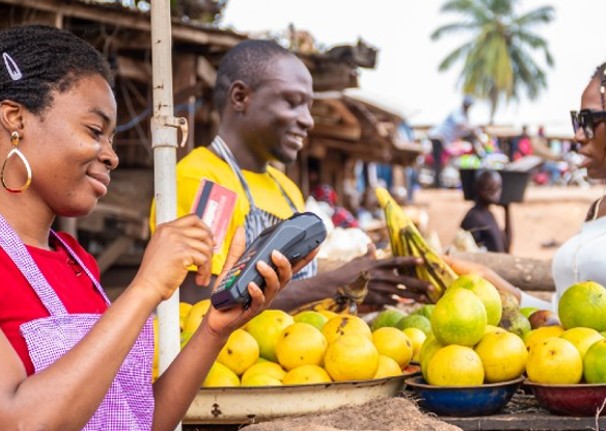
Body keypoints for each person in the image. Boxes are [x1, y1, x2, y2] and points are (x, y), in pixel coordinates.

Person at [0, 25, 310, 431]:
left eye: (112, 139)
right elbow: (17, 428)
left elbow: (135, 426)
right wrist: (145, 288)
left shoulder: (76, 261)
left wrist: (215, 329)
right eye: (95, 131)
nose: (110, 155)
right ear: (15, 119)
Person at [152, 40, 432, 309]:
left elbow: (293, 292)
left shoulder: (287, 189)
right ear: (240, 97)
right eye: (292, 102)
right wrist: (330, 284)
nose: (307, 120)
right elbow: (198, 300)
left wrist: (350, 290)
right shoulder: (206, 182)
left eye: (308, 106)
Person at [450, 4, 606, 329]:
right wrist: (488, 280)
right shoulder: (598, 210)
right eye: (577, 120)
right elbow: (562, 322)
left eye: (591, 120)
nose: (578, 136)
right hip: (566, 373)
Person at [428, 95, 475, 188]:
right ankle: (437, 183)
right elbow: (460, 124)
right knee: (438, 161)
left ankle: (438, 182)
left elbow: (463, 131)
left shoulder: (465, 116)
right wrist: (472, 128)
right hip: (438, 137)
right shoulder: (457, 112)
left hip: (444, 140)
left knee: (441, 161)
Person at [460, 169, 511, 253]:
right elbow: (467, 251)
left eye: (498, 187)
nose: (496, 193)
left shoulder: (489, 214)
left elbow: (506, 248)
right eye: (491, 188)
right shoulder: (473, 218)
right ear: (479, 189)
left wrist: (507, 210)